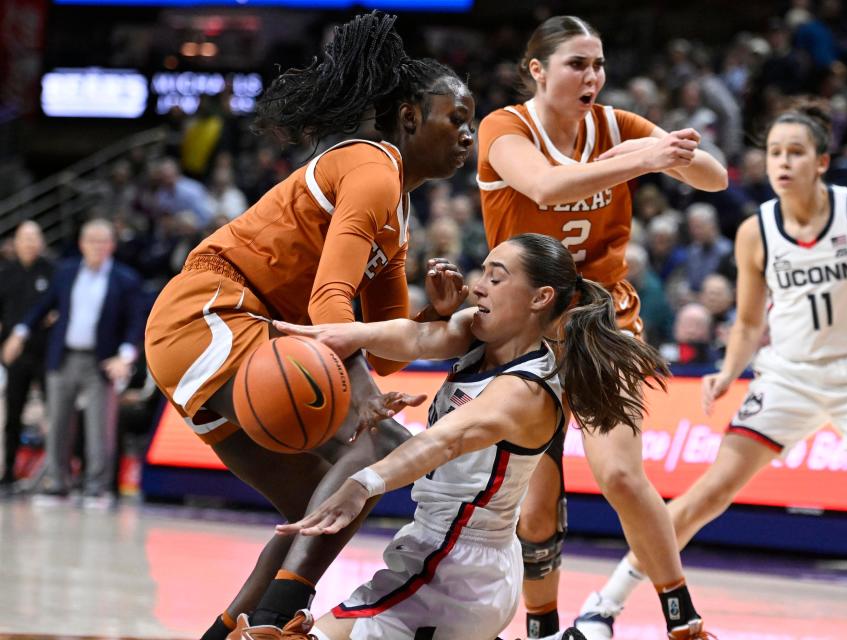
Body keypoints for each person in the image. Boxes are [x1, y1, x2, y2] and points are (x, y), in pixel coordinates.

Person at [143, 12, 475, 640]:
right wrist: (368, 398)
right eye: (456, 118)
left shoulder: (396, 208)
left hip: (227, 336)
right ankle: (278, 621)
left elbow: (380, 356)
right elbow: (329, 301)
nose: (468, 134)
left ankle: (233, 631)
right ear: (409, 117)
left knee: (316, 508)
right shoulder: (372, 167)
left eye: (473, 122)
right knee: (381, 447)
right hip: (213, 312)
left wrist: (430, 316)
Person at [588, 101, 847, 629]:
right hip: (789, 375)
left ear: (822, 162)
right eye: (774, 153)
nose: (783, 162)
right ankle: (607, 602)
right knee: (709, 493)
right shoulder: (755, 230)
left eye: (796, 153)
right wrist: (729, 369)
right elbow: (745, 323)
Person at [259, 233, 669, 640]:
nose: (477, 286)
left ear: (540, 298)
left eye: (496, 277)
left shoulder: (524, 390)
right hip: (439, 548)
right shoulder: (479, 334)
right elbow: (419, 338)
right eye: (483, 273)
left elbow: (444, 441)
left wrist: (361, 484)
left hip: (460, 568)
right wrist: (346, 336)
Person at [476, 15, 727, 640]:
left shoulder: (617, 126)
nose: (593, 77)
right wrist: (640, 159)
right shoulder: (504, 127)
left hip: (603, 320)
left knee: (618, 473)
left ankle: (682, 618)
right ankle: (541, 626)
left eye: (599, 64)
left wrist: (667, 156)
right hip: (524, 327)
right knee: (535, 497)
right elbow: (544, 183)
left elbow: (716, 176)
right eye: (577, 64)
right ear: (538, 69)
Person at [2, 219, 144, 506]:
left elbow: (135, 323)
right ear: (81, 244)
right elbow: (43, 307)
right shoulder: (66, 273)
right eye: (91, 240)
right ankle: (58, 484)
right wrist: (19, 333)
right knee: (57, 423)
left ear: (111, 246)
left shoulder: (125, 279)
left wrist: (126, 356)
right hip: (63, 356)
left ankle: (96, 487)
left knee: (98, 427)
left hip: (100, 362)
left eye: (102, 241)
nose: (96, 246)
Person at [0, 222, 55, 491]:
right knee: (13, 414)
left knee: (52, 414)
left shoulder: (52, 271)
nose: (30, 243)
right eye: (25, 238)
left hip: (46, 354)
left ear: (41, 242)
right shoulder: (6, 273)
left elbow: (61, 307)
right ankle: (8, 470)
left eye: (35, 237)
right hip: (15, 355)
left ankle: (54, 472)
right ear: (16, 242)